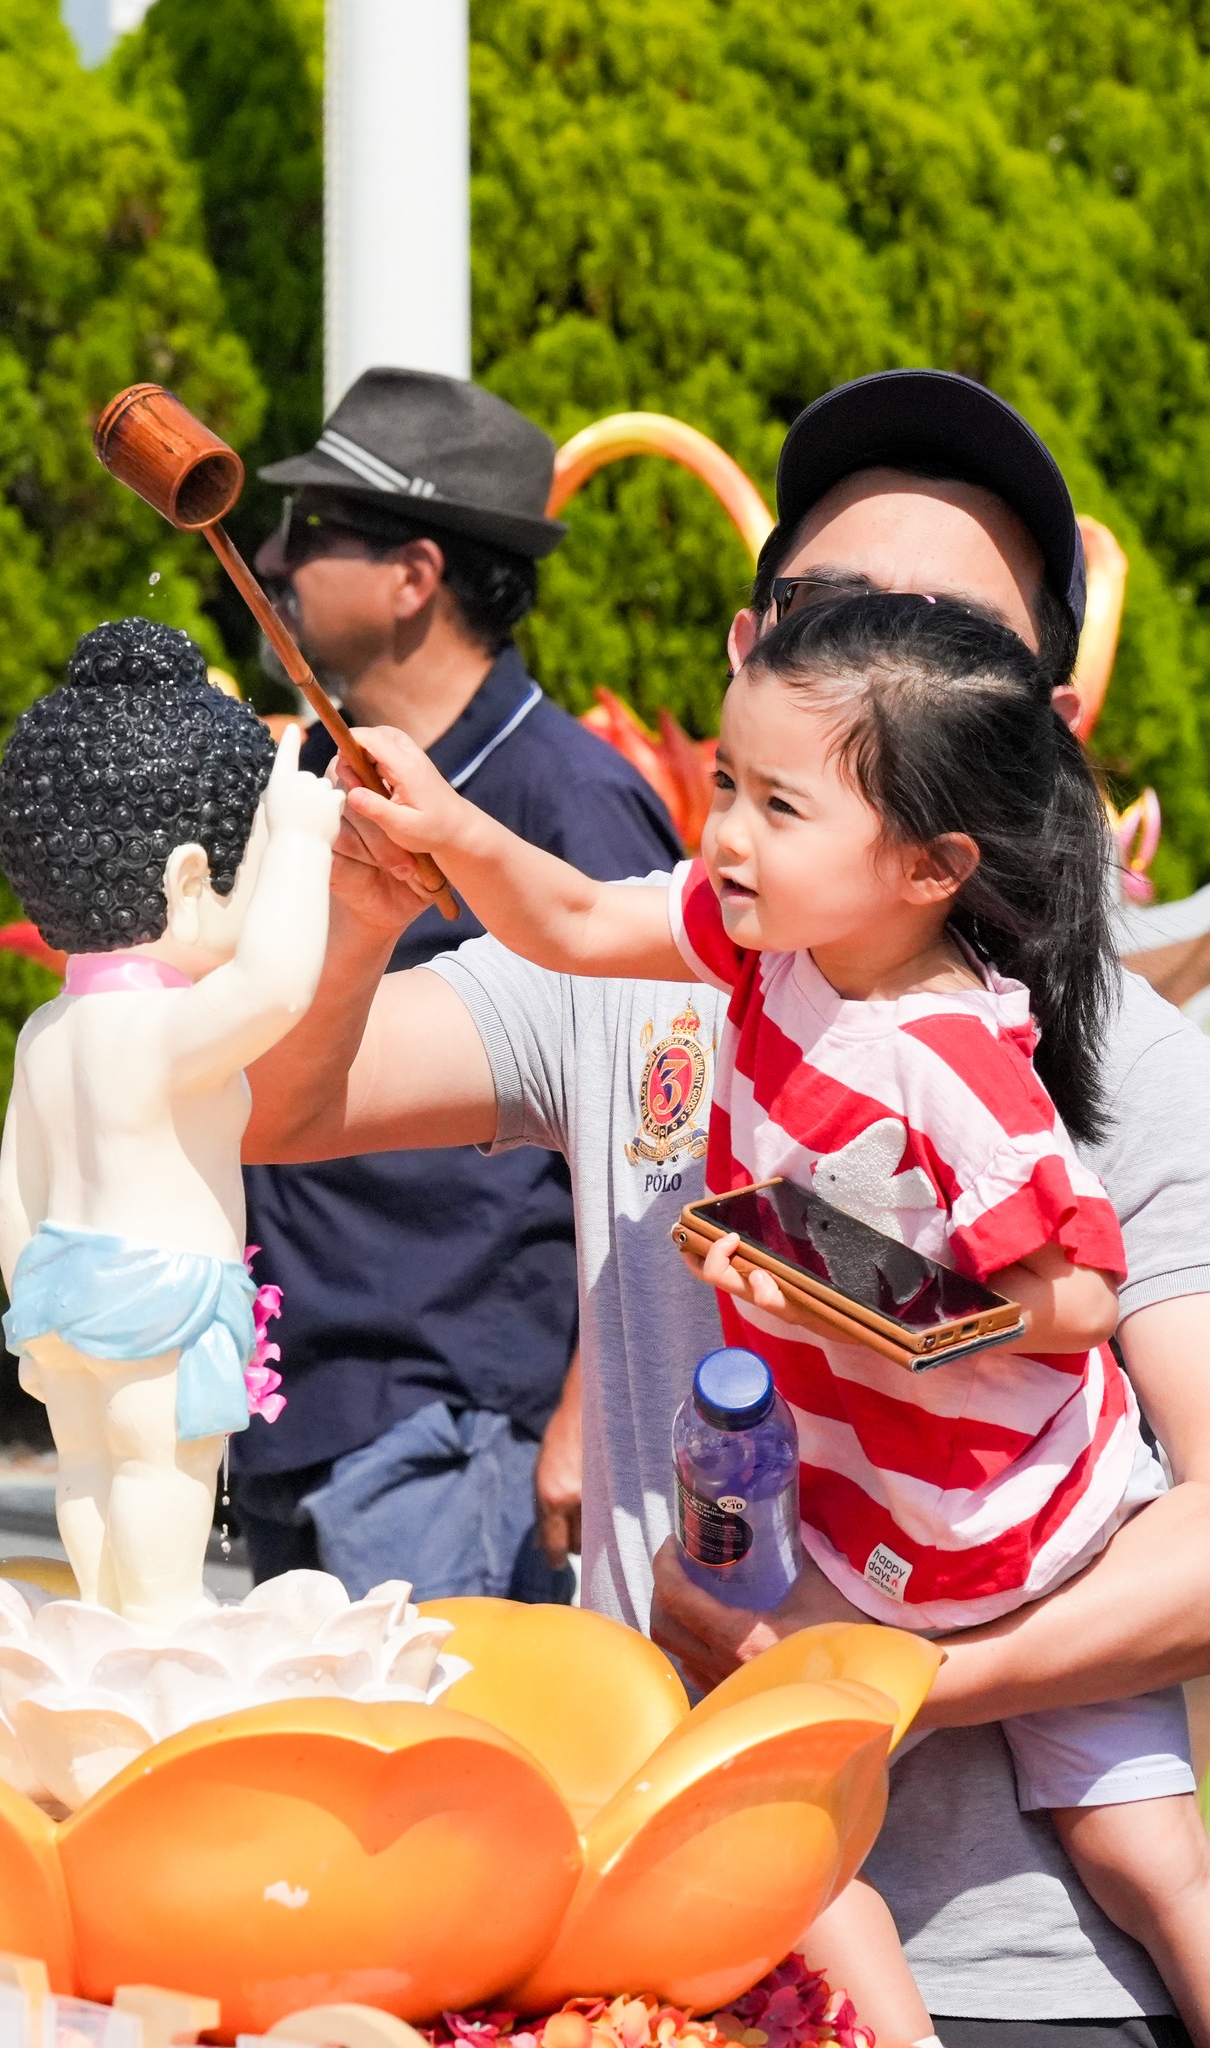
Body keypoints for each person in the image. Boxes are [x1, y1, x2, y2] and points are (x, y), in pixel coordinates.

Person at [244, 369, 1210, 2046]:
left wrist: (885, 1679)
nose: (857, 662)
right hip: (657, 1952)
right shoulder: (695, 946)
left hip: (1027, 1981)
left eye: (938, 638)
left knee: (1145, 1853)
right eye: (825, 613)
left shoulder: (1080, 1054)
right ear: (750, 655)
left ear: (1019, 753)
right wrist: (376, 889)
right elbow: (290, 1100)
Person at [236, 367, 679, 1601]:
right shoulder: (320, 774)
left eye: (309, 528)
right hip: (298, 1401)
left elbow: (663, 1133)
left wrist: (588, 1411)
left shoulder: (569, 802)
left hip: (454, 1423)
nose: (269, 559)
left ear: (414, 575)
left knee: (442, 1735)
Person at [0, 617, 342, 1627]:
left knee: (88, 1468)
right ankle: (156, 1624)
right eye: (247, 876)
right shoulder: (161, 1030)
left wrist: (28, 1314)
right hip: (162, 1300)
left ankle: (101, 1617)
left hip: (59, 1288)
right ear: (191, 884)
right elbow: (276, 985)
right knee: (161, 1470)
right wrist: (301, 839)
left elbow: (15, 1194)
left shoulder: (47, 1032)